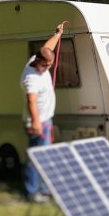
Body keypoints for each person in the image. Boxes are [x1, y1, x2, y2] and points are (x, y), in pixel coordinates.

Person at [21, 22, 65, 202]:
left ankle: (44, 190)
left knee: (45, 157)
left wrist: (57, 34)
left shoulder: (36, 59)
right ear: (38, 62)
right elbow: (31, 100)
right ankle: (32, 193)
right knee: (37, 157)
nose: (48, 68)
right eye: (46, 65)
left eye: (50, 65)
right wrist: (36, 122)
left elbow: (47, 48)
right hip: (38, 122)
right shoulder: (31, 78)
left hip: (46, 119)